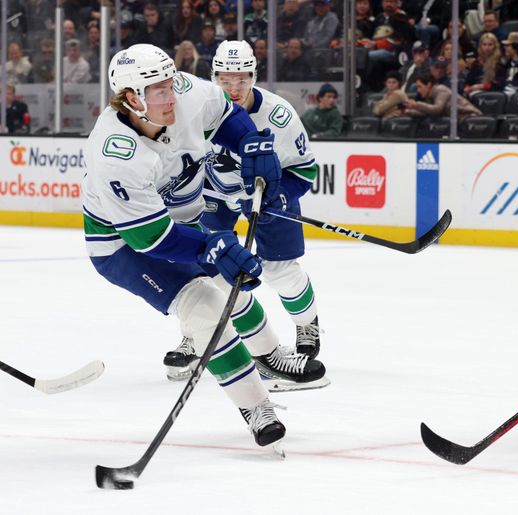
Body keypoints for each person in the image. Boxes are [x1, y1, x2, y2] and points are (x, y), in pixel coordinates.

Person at [82, 44, 325, 449]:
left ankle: (270, 353)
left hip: (182, 220)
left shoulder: (186, 93)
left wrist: (252, 144)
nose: (170, 96)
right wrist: (211, 247)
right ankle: (257, 407)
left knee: (235, 289)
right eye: (158, 91)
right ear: (131, 98)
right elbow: (149, 238)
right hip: (123, 244)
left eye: (169, 84)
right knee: (205, 308)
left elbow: (228, 116)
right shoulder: (115, 155)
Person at [164, 40, 331, 386]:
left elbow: (304, 169)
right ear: (213, 78)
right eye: (225, 80)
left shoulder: (278, 115)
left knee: (279, 270)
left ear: (254, 76)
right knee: (206, 271)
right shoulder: (195, 107)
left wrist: (281, 197)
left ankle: (306, 324)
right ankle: (195, 337)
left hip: (267, 197)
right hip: (212, 194)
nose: (234, 88)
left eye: (242, 79)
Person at [405, 73, 482, 121]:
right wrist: (408, 111)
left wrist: (417, 104)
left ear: (428, 85)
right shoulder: (429, 95)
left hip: (472, 117)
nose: (418, 90)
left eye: (419, 87)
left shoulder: (441, 90)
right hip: (460, 120)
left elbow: (437, 109)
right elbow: (427, 112)